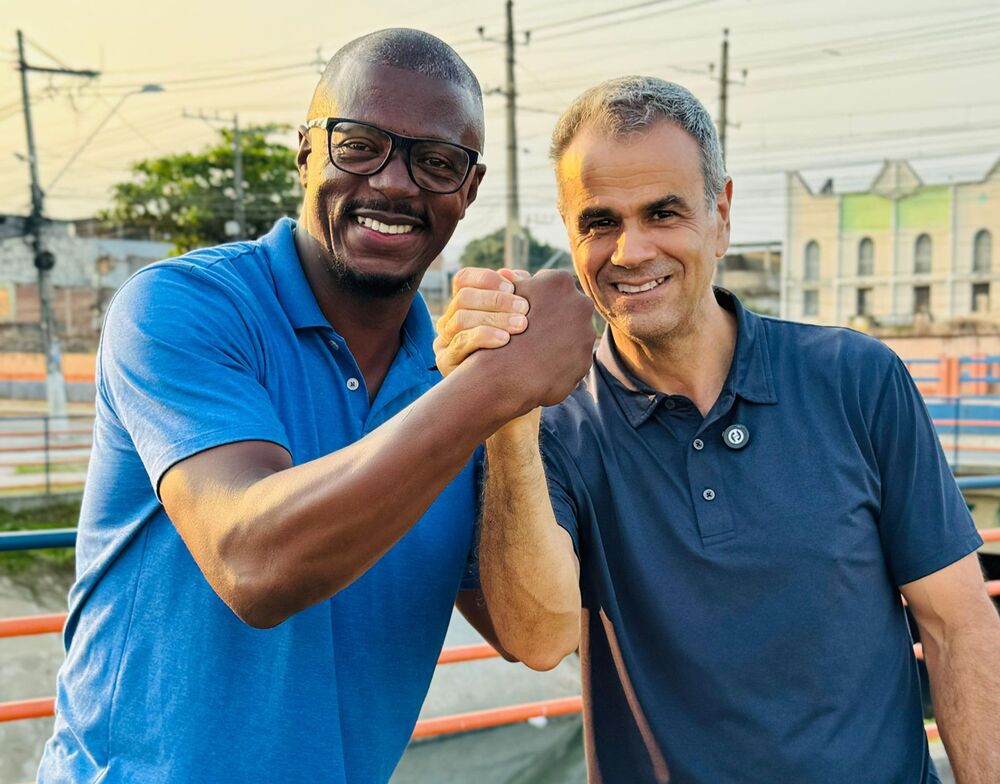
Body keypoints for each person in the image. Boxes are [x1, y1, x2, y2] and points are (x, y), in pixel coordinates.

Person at [37, 29, 595, 783]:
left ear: (468, 190)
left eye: (435, 163)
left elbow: (531, 636)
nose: (395, 184)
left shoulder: (454, 384)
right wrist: (493, 388)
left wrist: (511, 418)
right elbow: (254, 564)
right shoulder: (184, 308)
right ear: (304, 154)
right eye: (360, 145)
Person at [434, 76, 1000, 783]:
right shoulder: (553, 430)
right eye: (599, 221)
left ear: (721, 214)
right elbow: (539, 639)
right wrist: (504, 408)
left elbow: (958, 626)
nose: (631, 251)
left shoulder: (857, 378)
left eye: (663, 213)